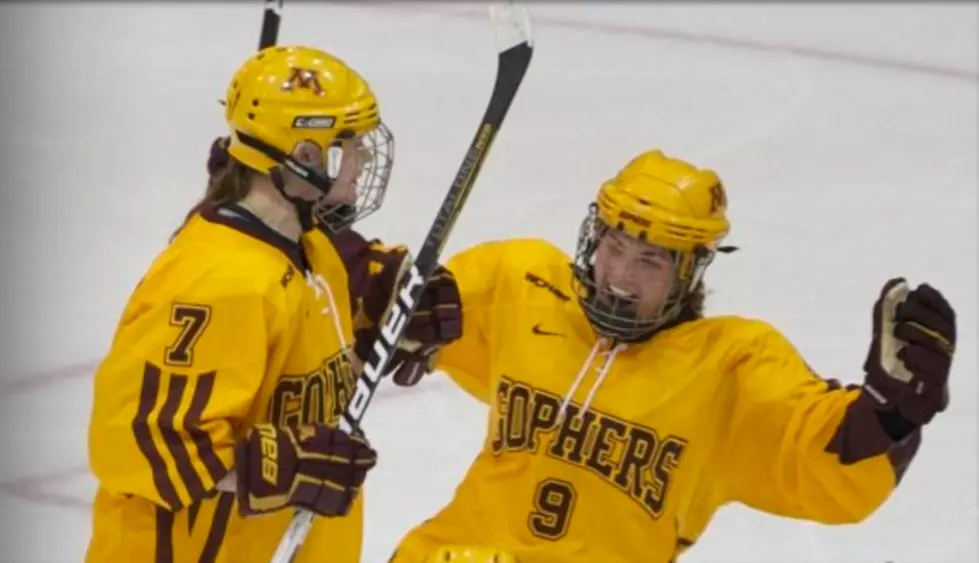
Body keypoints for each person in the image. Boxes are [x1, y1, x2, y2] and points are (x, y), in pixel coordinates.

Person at [382, 149, 956, 562]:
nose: (620, 279)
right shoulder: (524, 283)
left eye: (650, 262)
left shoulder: (729, 366)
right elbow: (383, 301)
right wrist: (394, 307)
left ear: (690, 271)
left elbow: (823, 456)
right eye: (614, 246)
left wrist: (890, 413)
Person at [85, 45, 461, 563]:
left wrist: (387, 332)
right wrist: (274, 466)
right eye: (347, 143)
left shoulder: (313, 251)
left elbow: (304, 387)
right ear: (305, 155)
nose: (363, 159)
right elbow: (138, 442)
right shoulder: (221, 282)